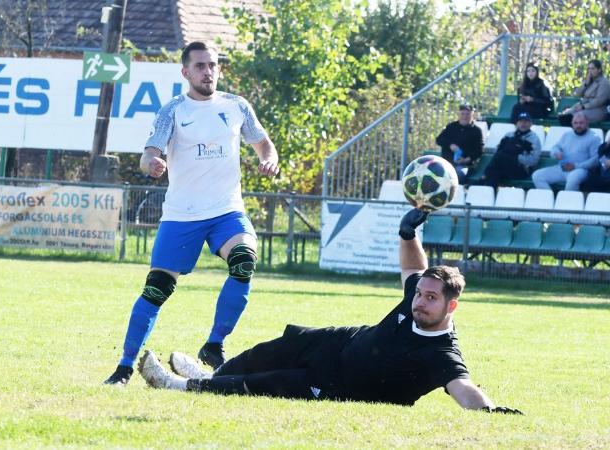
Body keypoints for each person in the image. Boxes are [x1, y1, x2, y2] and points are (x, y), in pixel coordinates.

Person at [135, 209, 523, 414]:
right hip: (338, 341)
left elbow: (464, 390)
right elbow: (413, 269)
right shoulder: (418, 294)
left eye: (430, 299)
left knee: (268, 382)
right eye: (420, 295)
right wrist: (409, 235)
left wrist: (489, 411)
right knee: (269, 351)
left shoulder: (442, 354)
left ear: (451, 306)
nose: (420, 301)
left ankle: (182, 386)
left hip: (342, 385)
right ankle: (213, 373)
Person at [103, 41, 280, 386]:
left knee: (244, 261)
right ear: (186, 72)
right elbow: (148, 152)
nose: (208, 71)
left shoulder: (236, 106)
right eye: (200, 66)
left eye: (212, 65)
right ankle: (124, 367)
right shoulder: (172, 111)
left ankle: (214, 345)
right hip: (182, 215)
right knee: (157, 289)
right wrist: (151, 162)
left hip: (226, 210)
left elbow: (262, 142)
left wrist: (268, 158)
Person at [531, 112, 601, 191]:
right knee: (537, 176)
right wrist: (556, 153)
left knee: (573, 179)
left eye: (581, 123)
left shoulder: (594, 138)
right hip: (563, 168)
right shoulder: (567, 135)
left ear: (587, 123)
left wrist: (575, 166)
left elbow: (595, 160)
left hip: (581, 170)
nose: (578, 126)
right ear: (572, 123)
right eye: (575, 123)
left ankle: (568, 202)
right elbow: (555, 147)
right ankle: (550, 199)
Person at [479, 112, 542, 188]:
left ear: (530, 124)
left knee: (499, 158)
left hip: (521, 169)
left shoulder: (534, 139)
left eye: (526, 121)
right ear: (516, 123)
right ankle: (489, 196)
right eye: (521, 121)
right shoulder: (509, 135)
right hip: (503, 165)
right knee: (495, 173)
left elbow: (533, 160)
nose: (523, 124)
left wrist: (516, 158)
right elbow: (497, 150)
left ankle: (483, 177)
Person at [436, 105, 484, 184]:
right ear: (459, 114)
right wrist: (450, 145)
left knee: (458, 175)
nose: (465, 116)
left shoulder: (476, 131)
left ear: (472, 115)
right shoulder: (451, 127)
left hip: (464, 166)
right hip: (447, 163)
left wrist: (467, 159)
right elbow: (439, 139)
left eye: (467, 114)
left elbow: (479, 150)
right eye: (462, 114)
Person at [558, 60, 610, 126]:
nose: (590, 71)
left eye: (593, 69)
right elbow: (577, 94)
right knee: (564, 115)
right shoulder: (588, 81)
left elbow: (599, 100)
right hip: (583, 106)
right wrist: (585, 84)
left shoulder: (604, 82)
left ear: (599, 70)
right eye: (589, 69)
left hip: (598, 110)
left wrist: (584, 107)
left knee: (576, 117)